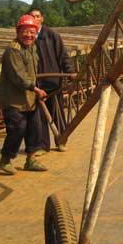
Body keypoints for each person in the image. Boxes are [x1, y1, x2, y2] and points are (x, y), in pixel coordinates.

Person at [0, 15, 48, 174]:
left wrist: (38, 89)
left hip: (30, 99)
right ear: (17, 32)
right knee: (17, 129)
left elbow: (33, 71)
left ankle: (31, 160)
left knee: (35, 128)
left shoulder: (32, 47)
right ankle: (5, 159)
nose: (29, 35)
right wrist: (36, 89)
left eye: (32, 32)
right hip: (14, 100)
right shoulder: (13, 50)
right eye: (25, 31)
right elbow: (19, 76)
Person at [28, 8, 75, 152]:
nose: (34, 19)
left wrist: (70, 73)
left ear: (42, 18)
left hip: (52, 82)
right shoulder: (27, 37)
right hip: (36, 85)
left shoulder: (51, 35)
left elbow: (63, 56)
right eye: (31, 16)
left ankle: (61, 140)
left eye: (37, 16)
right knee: (38, 117)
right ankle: (42, 146)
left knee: (57, 113)